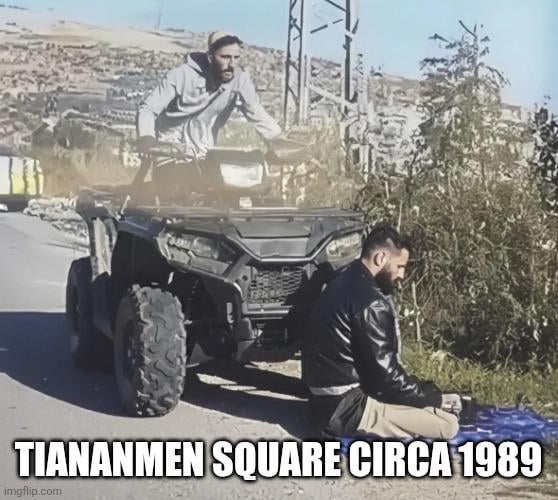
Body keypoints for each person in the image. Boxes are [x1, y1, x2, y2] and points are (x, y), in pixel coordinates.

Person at [302, 223, 461, 439]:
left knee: (425, 400)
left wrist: (423, 394)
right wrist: (435, 399)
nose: (402, 275)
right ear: (380, 258)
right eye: (400, 266)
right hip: (346, 410)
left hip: (321, 401)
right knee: (448, 425)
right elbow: (387, 379)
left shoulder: (341, 279)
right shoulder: (371, 302)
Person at [136, 30, 282, 158]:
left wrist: (277, 139)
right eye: (225, 57)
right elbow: (148, 109)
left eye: (236, 57)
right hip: (169, 152)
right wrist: (146, 138)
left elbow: (256, 112)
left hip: (206, 154)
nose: (232, 64)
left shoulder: (240, 80)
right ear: (211, 57)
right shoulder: (181, 76)